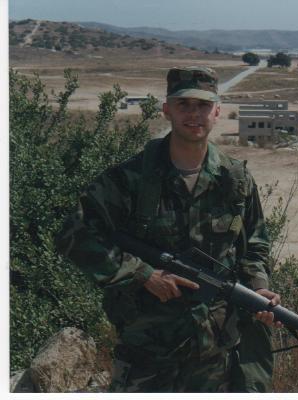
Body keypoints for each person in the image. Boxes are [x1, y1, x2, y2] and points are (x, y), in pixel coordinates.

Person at [56, 66, 280, 392]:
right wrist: (142, 274)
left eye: (203, 106)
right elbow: (72, 235)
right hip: (147, 355)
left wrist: (258, 287)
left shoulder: (236, 181)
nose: (193, 114)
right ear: (166, 109)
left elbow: (254, 245)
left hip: (214, 356)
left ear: (217, 112)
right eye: (183, 104)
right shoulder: (129, 180)